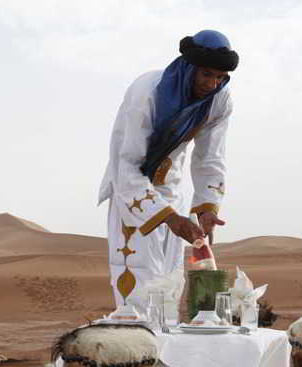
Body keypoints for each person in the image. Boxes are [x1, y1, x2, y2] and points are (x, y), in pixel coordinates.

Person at [98, 30, 239, 311]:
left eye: (220, 77)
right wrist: (169, 218)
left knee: (170, 283)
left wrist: (207, 207)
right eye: (206, 74)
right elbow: (126, 164)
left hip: (172, 193)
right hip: (134, 195)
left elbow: (211, 156)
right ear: (189, 67)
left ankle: (166, 339)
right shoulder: (148, 92)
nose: (212, 84)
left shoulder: (219, 99)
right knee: (139, 284)